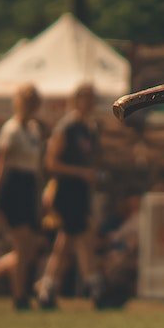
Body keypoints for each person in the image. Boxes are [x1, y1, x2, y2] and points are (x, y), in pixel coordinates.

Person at [0, 83, 48, 309]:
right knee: (22, 245)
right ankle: (19, 296)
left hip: (29, 186)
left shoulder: (34, 130)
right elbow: (1, 164)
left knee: (28, 249)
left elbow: (37, 166)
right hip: (13, 187)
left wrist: (40, 195)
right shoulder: (11, 129)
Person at [36, 82, 103, 308]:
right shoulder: (67, 127)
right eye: (86, 98)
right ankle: (93, 285)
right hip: (66, 190)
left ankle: (47, 286)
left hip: (81, 191)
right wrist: (81, 172)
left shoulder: (90, 128)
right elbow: (51, 163)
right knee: (80, 237)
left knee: (66, 242)